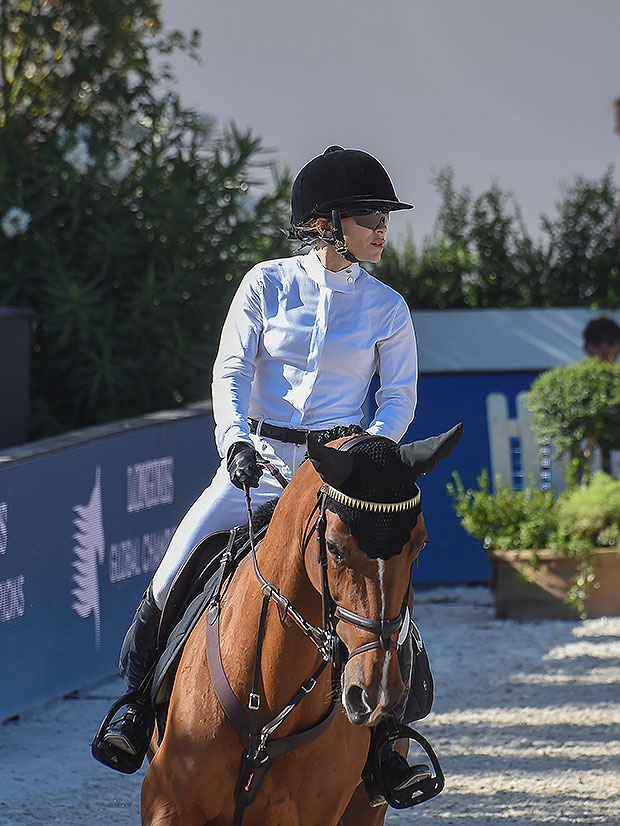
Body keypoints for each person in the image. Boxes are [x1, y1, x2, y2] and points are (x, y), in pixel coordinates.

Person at [99, 145, 424, 802]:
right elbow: (229, 372)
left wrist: (370, 454)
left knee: (391, 601)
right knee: (172, 570)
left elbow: (399, 396)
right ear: (328, 222)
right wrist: (234, 442)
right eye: (370, 217)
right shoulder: (266, 283)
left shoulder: (387, 307)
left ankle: (389, 744)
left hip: (338, 476)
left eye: (384, 218)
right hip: (261, 467)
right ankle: (135, 709)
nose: (382, 230)